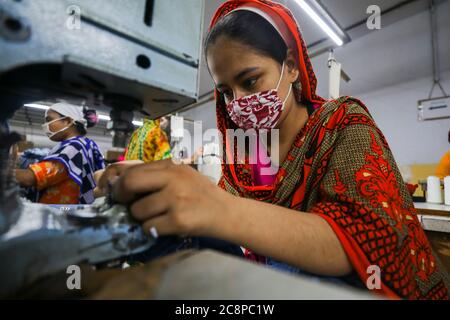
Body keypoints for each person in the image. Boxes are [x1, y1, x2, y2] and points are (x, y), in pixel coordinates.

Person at [99, 0, 449, 299]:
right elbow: (241, 242)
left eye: (250, 81)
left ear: (292, 67)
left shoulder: (342, 124)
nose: (239, 102)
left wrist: (220, 208)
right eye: (225, 91)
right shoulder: (245, 154)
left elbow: (366, 240)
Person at [14, 102, 105, 204]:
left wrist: (6, 173)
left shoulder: (74, 147)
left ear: (67, 121)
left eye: (49, 120)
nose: (45, 125)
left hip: (62, 212)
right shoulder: (86, 144)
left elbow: (30, 178)